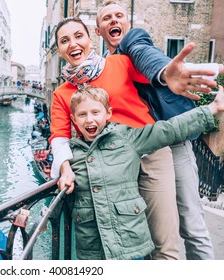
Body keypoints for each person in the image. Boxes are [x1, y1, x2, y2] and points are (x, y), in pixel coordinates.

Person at [49, 16, 221, 260]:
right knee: (129, 243)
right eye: (64, 40)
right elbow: (59, 136)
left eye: (79, 36)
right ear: (59, 49)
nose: (73, 44)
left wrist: (168, 73)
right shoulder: (61, 93)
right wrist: (65, 168)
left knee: (163, 242)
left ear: (90, 38)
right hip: (109, 165)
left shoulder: (118, 63)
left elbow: (156, 74)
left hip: (149, 152)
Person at [94, 1, 223, 260]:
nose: (114, 21)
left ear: (127, 23)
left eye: (119, 15)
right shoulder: (102, 66)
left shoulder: (133, 41)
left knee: (192, 226)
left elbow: (147, 56)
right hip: (135, 152)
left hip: (172, 143)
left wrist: (165, 73)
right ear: (98, 30)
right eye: (107, 18)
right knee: (152, 232)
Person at [69, 85, 223, 260]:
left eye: (95, 112)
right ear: (74, 118)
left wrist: (212, 108)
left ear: (108, 114)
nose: (89, 119)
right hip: (92, 251)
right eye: (82, 114)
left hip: (130, 244)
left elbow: (169, 129)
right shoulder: (70, 154)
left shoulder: (127, 138)